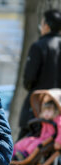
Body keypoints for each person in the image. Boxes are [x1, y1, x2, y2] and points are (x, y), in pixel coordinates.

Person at [18, 9, 61, 139]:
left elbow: (29, 79)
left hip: (38, 105)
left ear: (46, 25)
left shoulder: (39, 46)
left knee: (24, 148)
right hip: (58, 105)